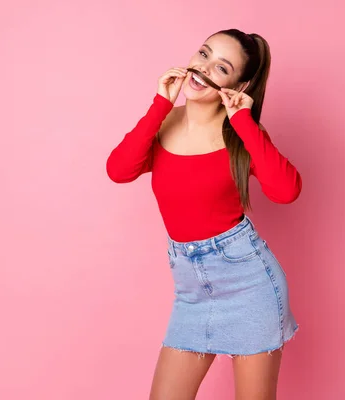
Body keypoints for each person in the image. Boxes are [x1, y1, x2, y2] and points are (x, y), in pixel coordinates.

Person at [106, 29, 302, 400]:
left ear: (238, 84)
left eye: (221, 67)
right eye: (203, 53)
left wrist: (243, 120)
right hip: (192, 292)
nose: (203, 68)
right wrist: (160, 103)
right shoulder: (164, 122)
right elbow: (119, 170)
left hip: (248, 285)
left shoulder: (240, 134)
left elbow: (286, 190)